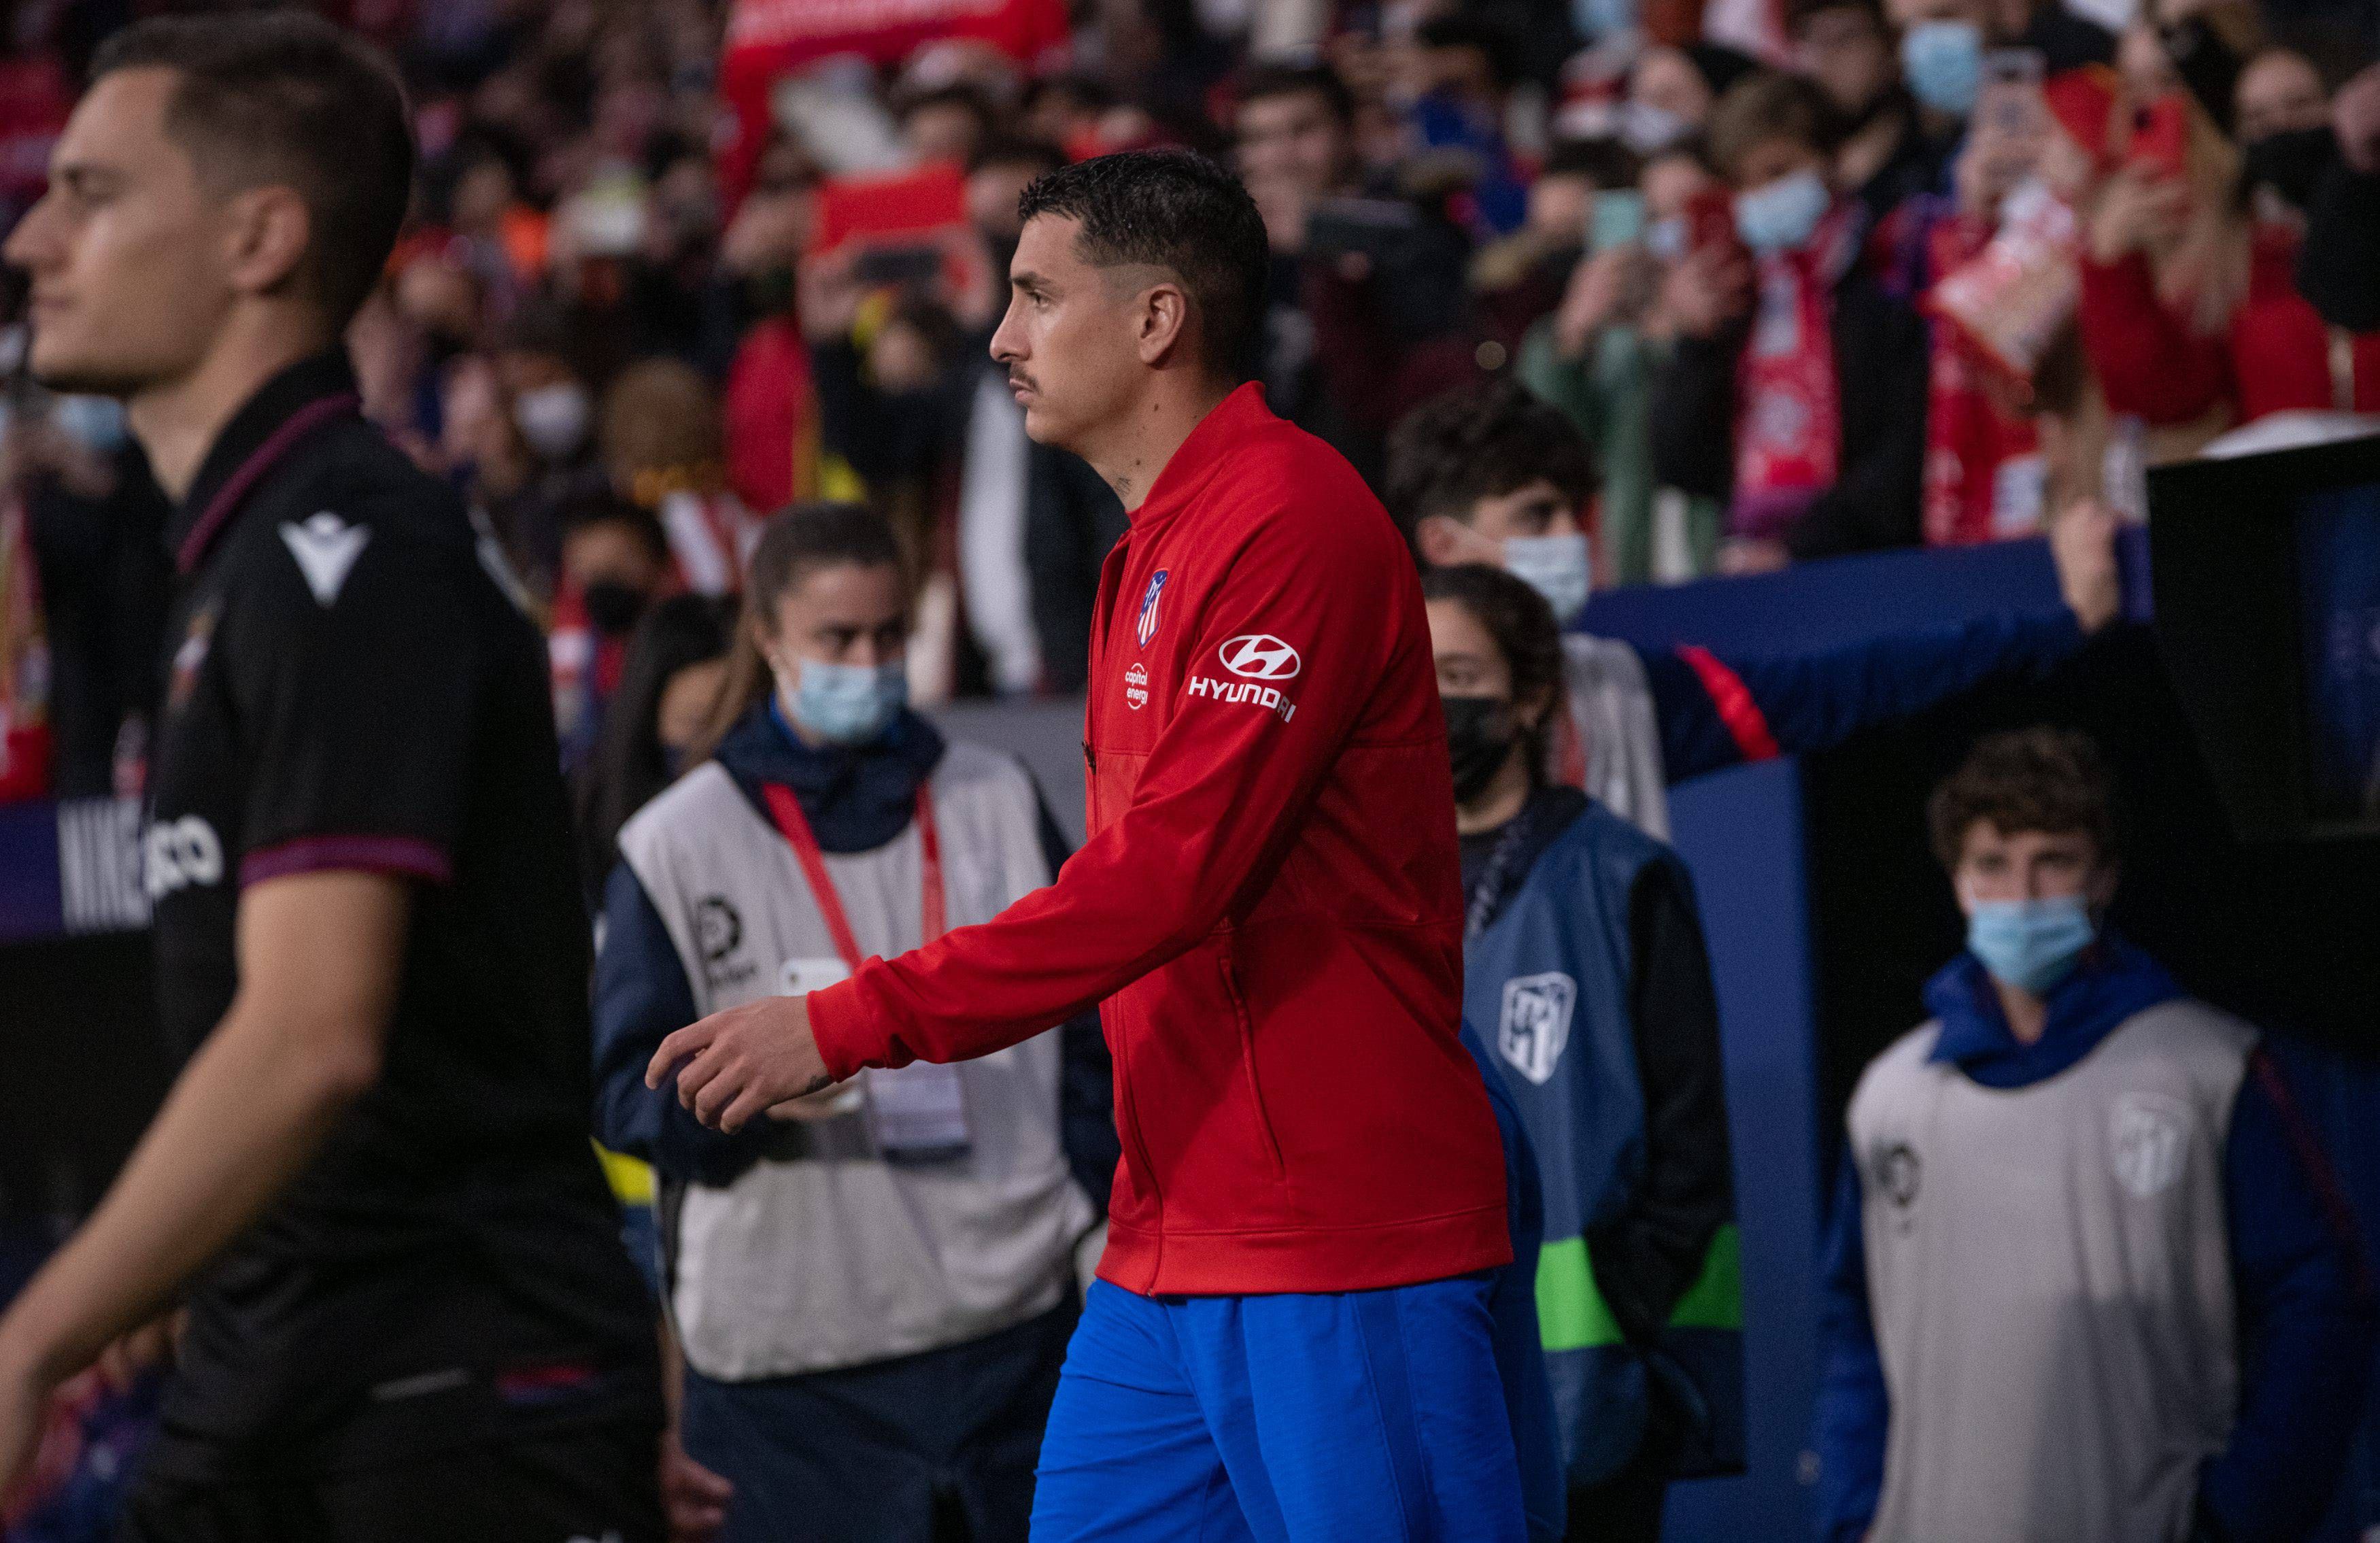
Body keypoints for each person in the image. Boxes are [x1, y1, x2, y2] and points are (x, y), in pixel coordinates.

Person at [646, 148, 1541, 1541]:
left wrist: (852, 1018)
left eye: (1033, 295)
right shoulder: (1150, 546)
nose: (998, 336)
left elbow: (1169, 878)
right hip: (1173, 1230)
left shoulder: (1292, 520)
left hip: (1332, 1232)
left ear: (1155, 320)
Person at [0, 14, 663, 1539]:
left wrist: (33, 1338)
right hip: (292, 1374)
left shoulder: (344, 547)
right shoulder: (246, 555)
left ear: (260, 237)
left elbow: (314, 1037)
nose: (32, 236)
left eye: (90, 193)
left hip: (440, 1402)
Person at [592, 503, 1116, 1543]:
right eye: (838, 639)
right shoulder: (676, 840)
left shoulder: (997, 794)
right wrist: (750, 1103)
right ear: (771, 636)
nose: (870, 661)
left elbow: (1091, 1058)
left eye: (889, 635)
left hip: (1013, 1337)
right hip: (790, 1373)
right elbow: (622, 1097)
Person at [1814, 728, 2377, 1543]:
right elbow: (1851, 1330)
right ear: (1957, 882)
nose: (2021, 894)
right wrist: (1850, 1514)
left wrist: (2239, 1516)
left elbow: (2321, 1299)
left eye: (2054, 861)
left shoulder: (2206, 1068)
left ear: (2104, 877)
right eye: (1992, 864)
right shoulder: (1891, 1097)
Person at [1387, 378, 2128, 838]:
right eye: (1534, 516)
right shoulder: (1363, 712)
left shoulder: (1623, 691)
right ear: (1444, 545)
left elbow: (1849, 683)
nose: (1567, 541)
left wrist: (2063, 621)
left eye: (1572, 516)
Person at [1425, 564, 1740, 1543]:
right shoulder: (1367, 882)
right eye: (1408, 674)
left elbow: (1692, 1144)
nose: (1430, 704)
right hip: (1430, 1366)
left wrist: (1623, 1296)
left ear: (1528, 699)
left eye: (1460, 675)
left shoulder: (1624, 877)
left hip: (1594, 1385)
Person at [1648, 71, 1931, 566]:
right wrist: (1696, 343)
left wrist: (1799, 549)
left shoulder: (1891, 270)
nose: (1758, 197)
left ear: (1835, 162)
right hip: (1747, 562)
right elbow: (1682, 466)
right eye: (1742, 183)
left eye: (1778, 172)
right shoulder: (1735, 296)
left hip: (1869, 565)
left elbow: (1908, 451)